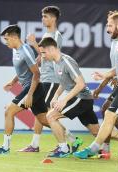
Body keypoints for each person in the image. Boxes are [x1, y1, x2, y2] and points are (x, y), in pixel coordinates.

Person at [73, 10, 118, 162]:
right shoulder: (115, 42)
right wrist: (106, 75)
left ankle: (94, 149)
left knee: (109, 114)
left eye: (110, 25)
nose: (107, 29)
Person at [18, 5, 83, 153]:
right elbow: (42, 57)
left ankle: (71, 140)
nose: (43, 19)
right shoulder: (48, 34)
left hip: (52, 79)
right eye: (42, 16)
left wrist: (34, 44)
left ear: (53, 18)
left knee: (46, 114)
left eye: (45, 16)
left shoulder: (56, 36)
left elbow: (52, 56)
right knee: (40, 112)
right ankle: (35, 144)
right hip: (45, 78)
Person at [38, 37, 110, 158]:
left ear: (51, 49)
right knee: (96, 131)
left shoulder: (66, 61)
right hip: (82, 99)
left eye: (43, 53)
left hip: (81, 98)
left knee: (50, 116)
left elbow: (81, 83)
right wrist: (55, 96)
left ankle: (63, 149)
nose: (42, 56)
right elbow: (64, 82)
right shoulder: (56, 63)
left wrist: (64, 100)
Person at [0, 25, 48, 154]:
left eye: (7, 39)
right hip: (31, 88)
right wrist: (13, 81)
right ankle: (72, 138)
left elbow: (36, 74)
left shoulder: (25, 50)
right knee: (44, 119)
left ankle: (5, 147)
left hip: (34, 88)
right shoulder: (15, 50)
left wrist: (30, 95)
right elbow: (24, 70)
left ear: (14, 37)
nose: (6, 42)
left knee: (9, 111)